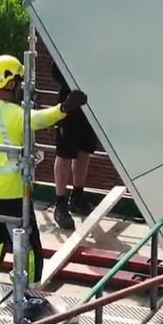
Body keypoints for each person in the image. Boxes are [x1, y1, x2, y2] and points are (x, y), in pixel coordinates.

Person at [0, 54, 88, 309]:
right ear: (11, 83)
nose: (21, 85)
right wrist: (65, 108)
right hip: (13, 194)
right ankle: (29, 296)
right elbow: (38, 119)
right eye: (18, 80)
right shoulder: (14, 114)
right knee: (30, 249)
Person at [51, 62, 99, 231]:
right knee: (64, 152)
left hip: (89, 102)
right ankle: (60, 203)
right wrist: (72, 84)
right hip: (69, 103)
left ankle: (77, 196)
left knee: (84, 150)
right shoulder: (65, 41)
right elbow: (55, 71)